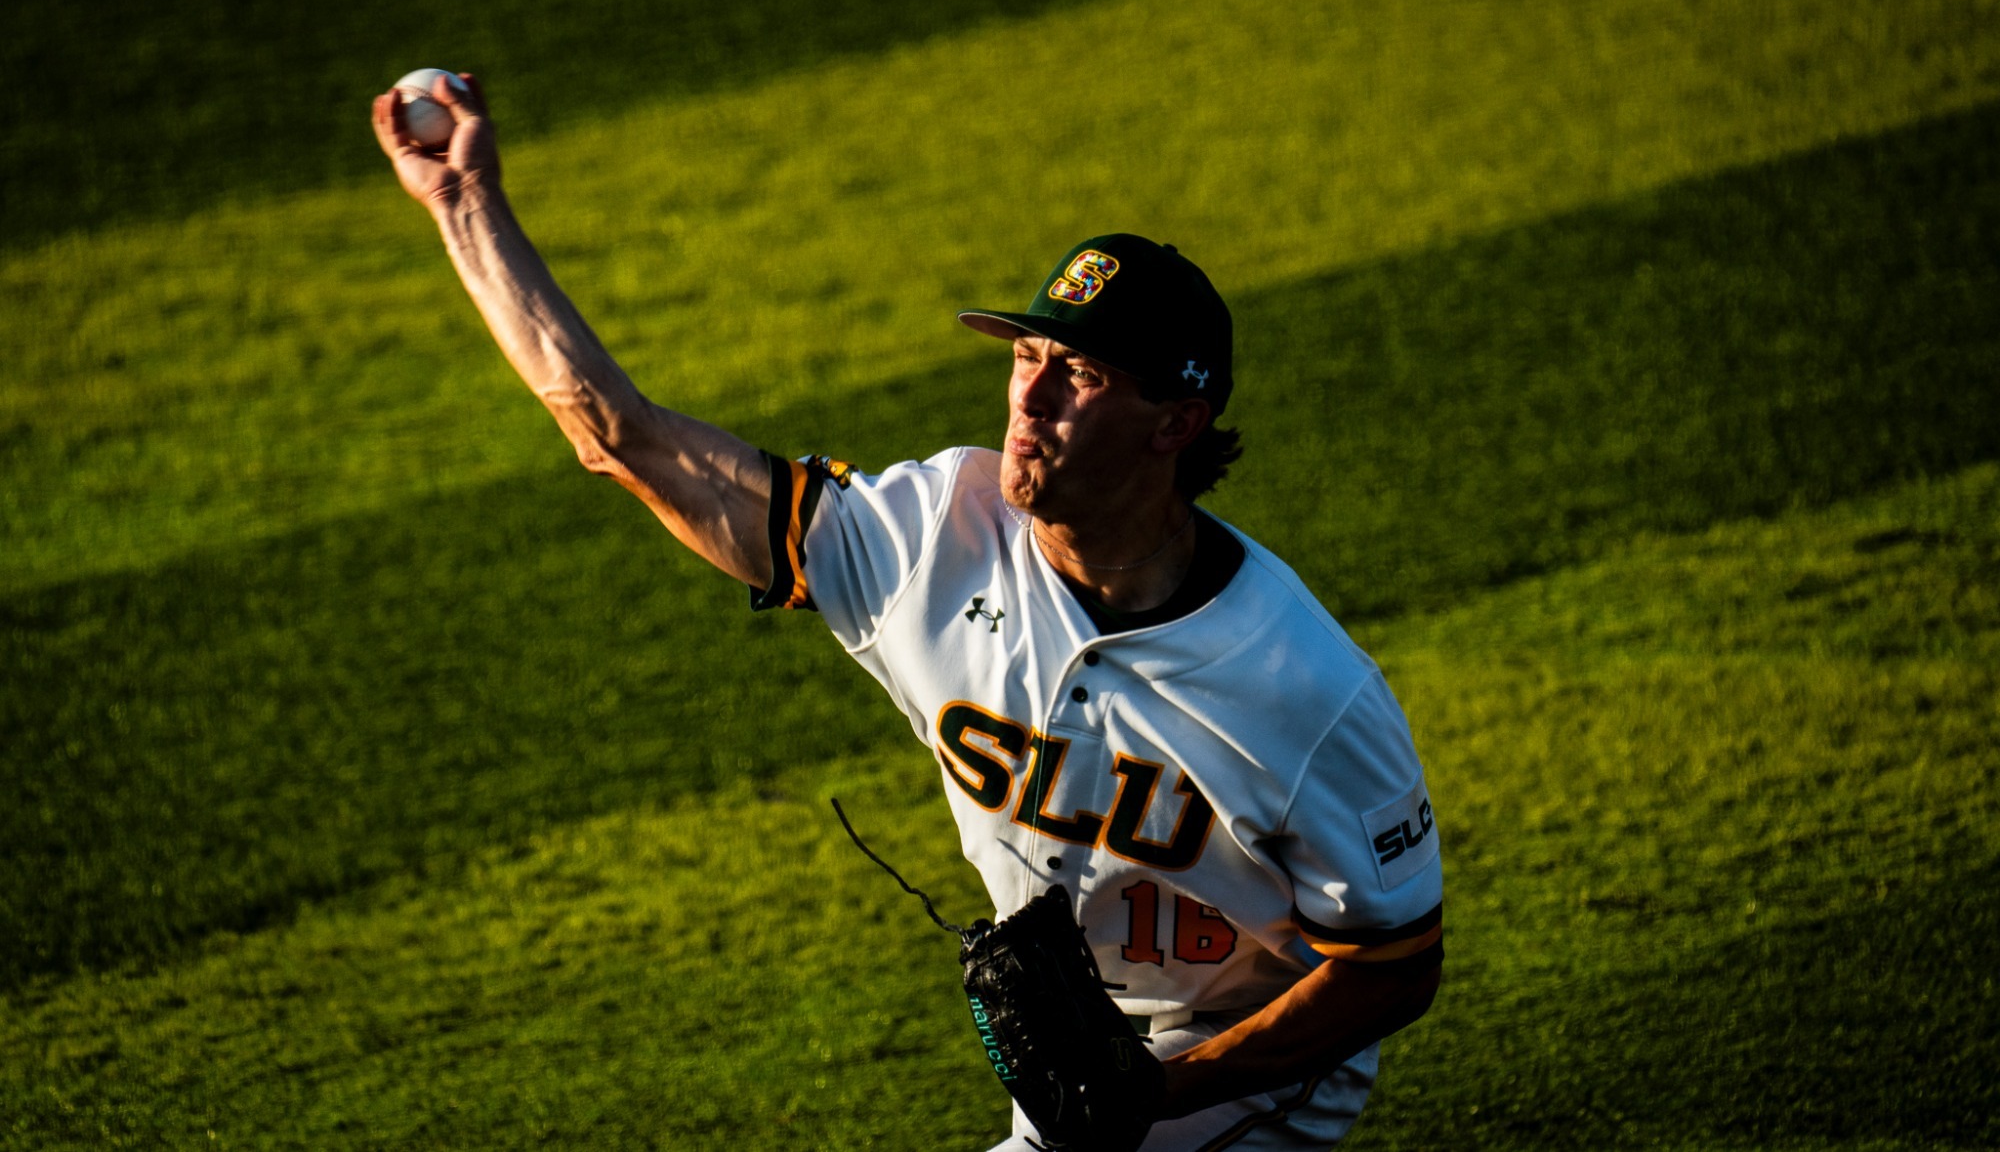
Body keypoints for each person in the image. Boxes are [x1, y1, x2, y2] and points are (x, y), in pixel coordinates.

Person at [372, 74, 1443, 1149]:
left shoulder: (1303, 687)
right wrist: (464, 208)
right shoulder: (932, 538)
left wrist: (1168, 1088)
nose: (1028, 397)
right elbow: (626, 441)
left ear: (1177, 421)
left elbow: (1393, 965)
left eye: (1078, 372)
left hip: (1245, 1087)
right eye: (1027, 355)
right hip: (1075, 1080)